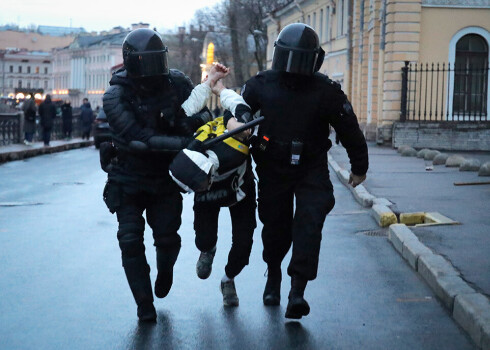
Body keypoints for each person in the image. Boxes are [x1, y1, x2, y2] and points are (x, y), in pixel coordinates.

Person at [211, 23, 369, 319]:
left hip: (311, 166)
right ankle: (273, 276)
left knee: (310, 221)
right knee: (276, 226)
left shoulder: (326, 90)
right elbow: (234, 114)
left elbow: (349, 128)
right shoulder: (260, 85)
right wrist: (234, 126)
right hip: (272, 164)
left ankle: (297, 291)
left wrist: (360, 166)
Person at [101, 28, 225, 322]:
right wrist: (186, 143)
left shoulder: (177, 82)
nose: (152, 69)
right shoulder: (116, 95)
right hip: (128, 176)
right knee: (130, 240)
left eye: (156, 61)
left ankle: (165, 271)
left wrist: (199, 126)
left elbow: (199, 115)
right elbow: (138, 138)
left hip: (166, 177)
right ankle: (144, 304)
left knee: (168, 237)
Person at [190, 109, 257, 307]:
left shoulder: (246, 133)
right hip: (208, 192)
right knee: (204, 239)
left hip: (241, 192)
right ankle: (207, 250)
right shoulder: (199, 141)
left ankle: (228, 280)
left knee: (243, 245)